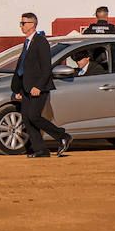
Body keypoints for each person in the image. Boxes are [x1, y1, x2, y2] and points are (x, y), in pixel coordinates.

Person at [11, 12, 72, 159]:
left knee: (33, 116)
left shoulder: (41, 42)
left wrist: (38, 86)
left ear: (32, 24)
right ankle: (41, 150)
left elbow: (46, 68)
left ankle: (62, 136)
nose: (21, 25)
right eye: (21, 23)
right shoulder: (27, 42)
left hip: (38, 87)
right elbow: (22, 68)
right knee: (27, 118)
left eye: (23, 23)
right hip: (26, 87)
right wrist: (18, 89)